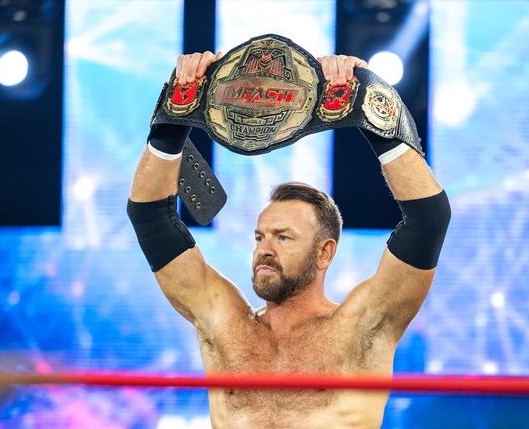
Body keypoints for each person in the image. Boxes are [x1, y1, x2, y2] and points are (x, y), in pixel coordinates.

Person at [127, 50, 451, 429]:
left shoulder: (362, 326)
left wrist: (369, 100)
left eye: (283, 237)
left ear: (324, 252)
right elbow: (151, 219)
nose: (264, 250)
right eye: (260, 237)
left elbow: (428, 220)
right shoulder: (224, 321)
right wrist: (176, 111)